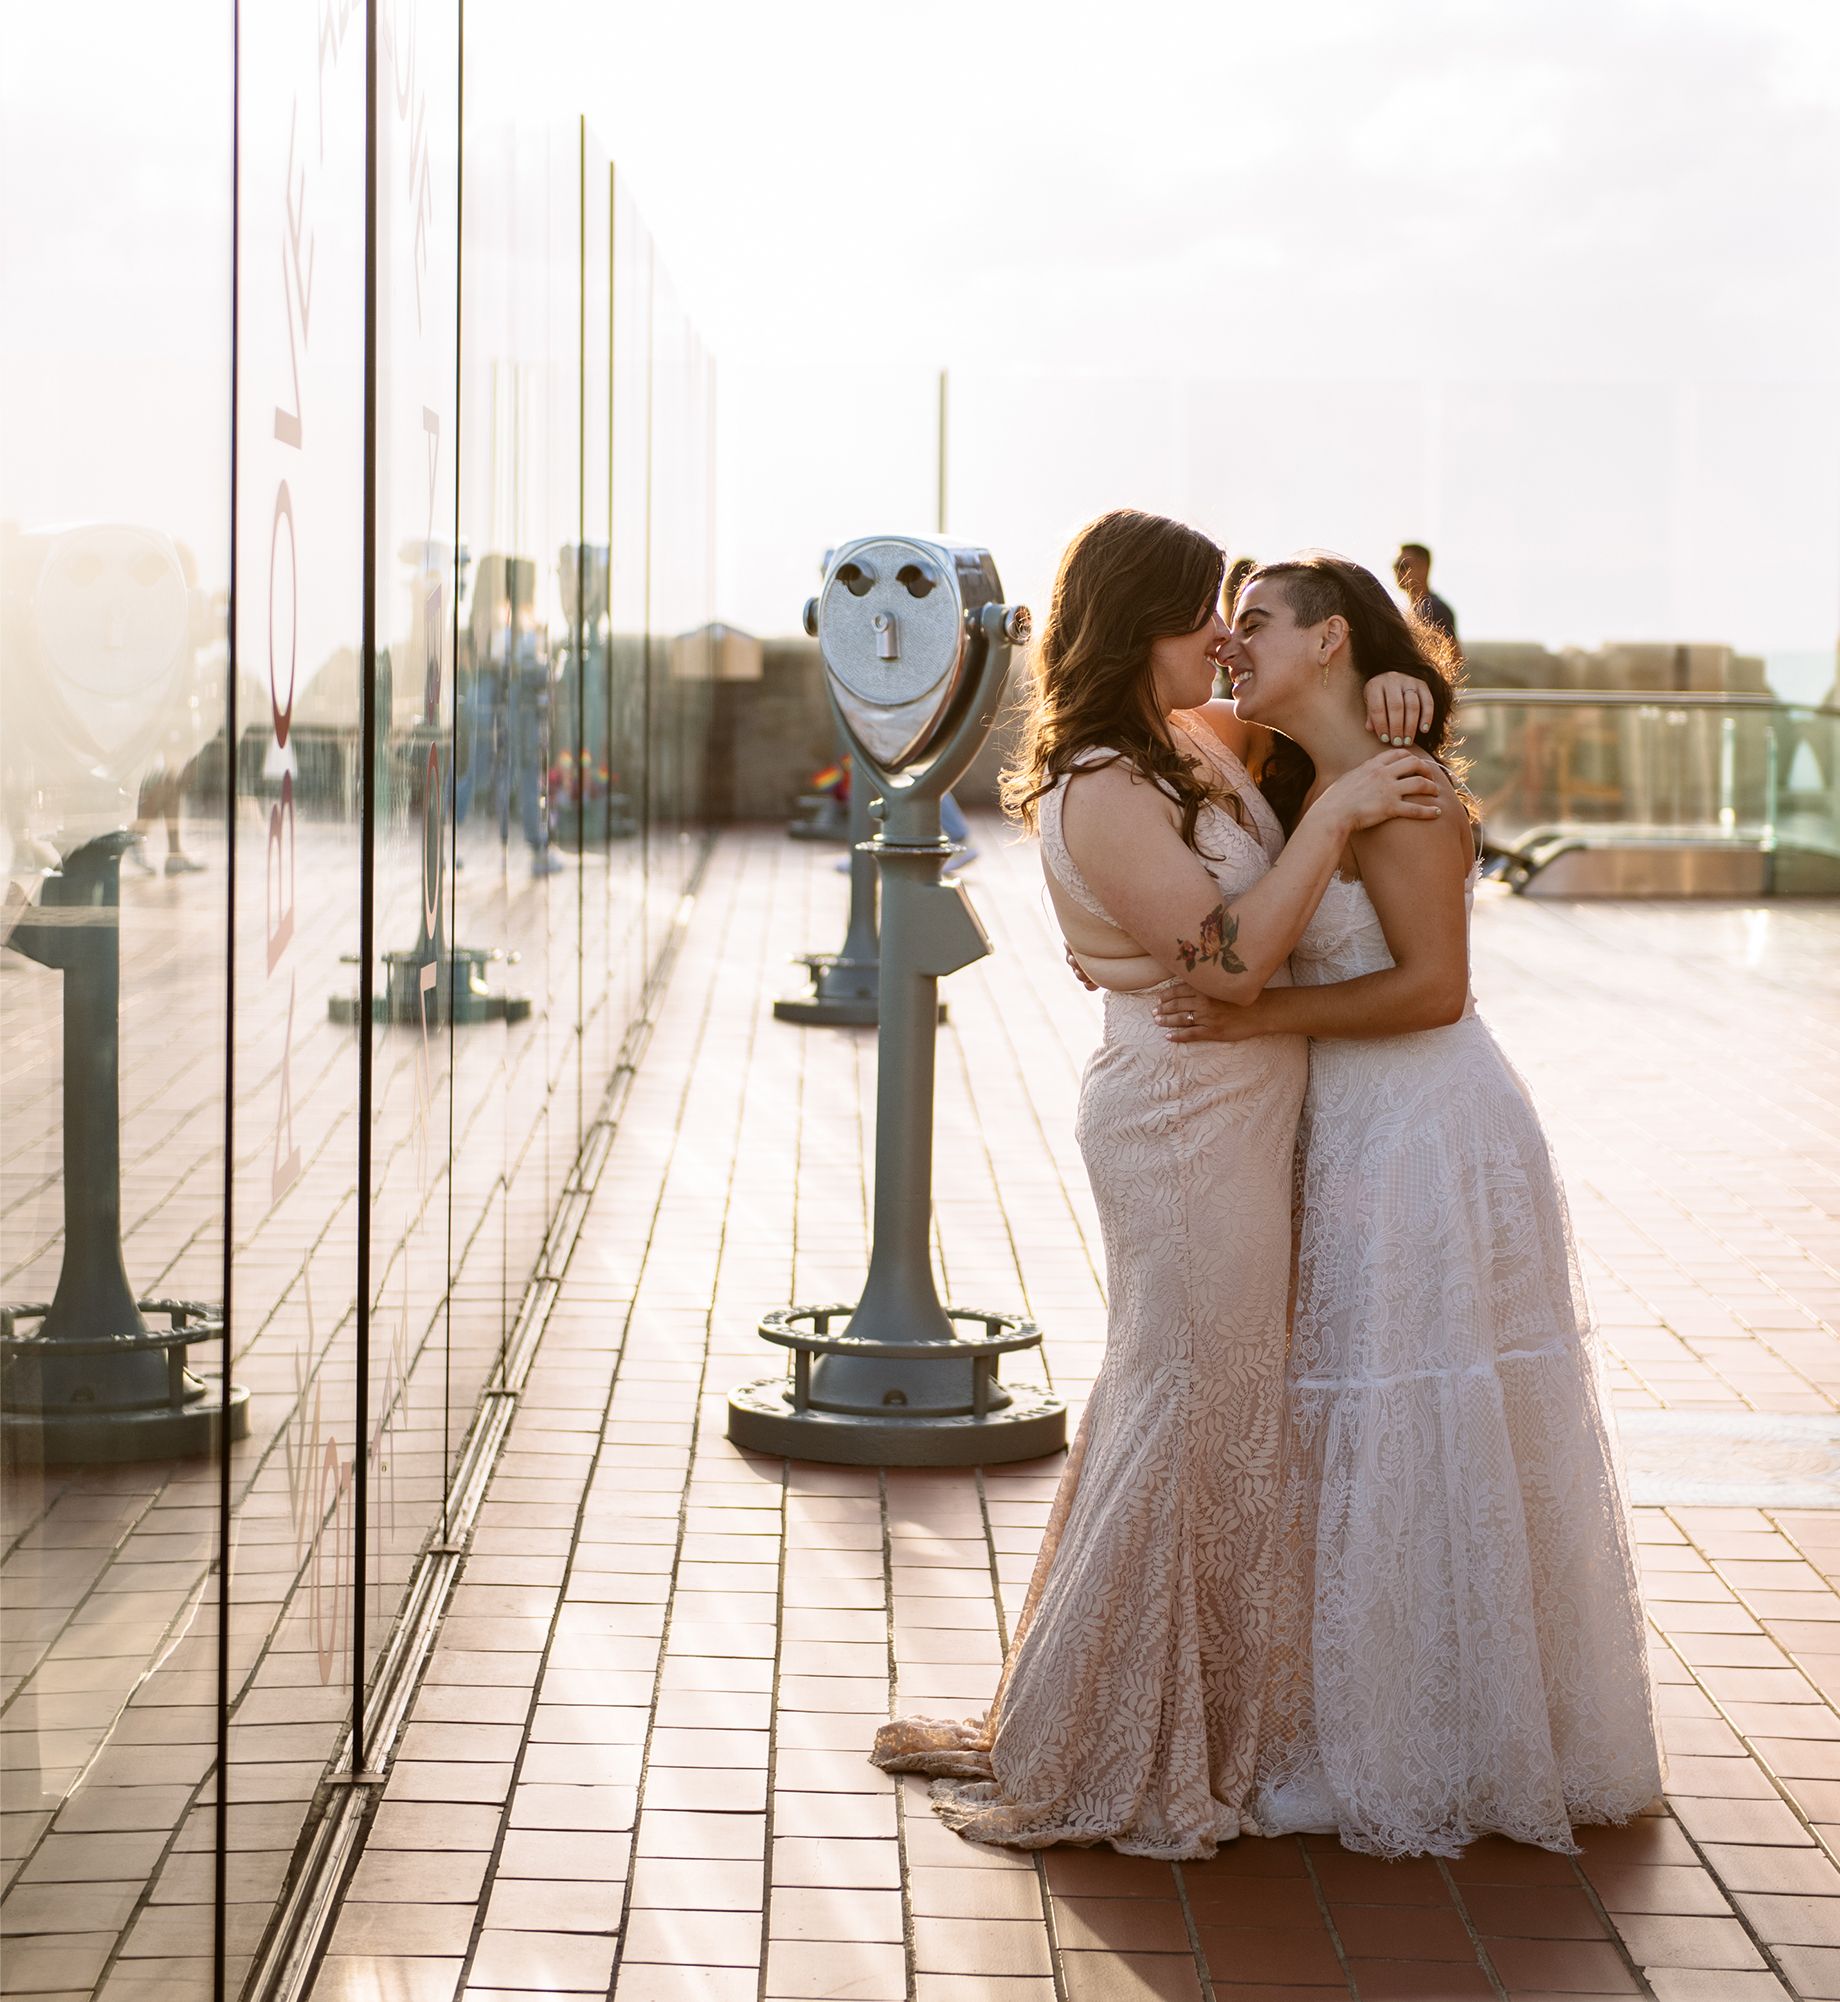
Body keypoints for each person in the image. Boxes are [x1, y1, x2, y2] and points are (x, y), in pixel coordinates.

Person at [869, 509, 1442, 1857]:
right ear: (1147, 626)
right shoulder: (1105, 784)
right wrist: (1353, 807)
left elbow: (1311, 726)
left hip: (1237, 1111)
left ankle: (1151, 1702)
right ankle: (1110, 1732)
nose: (1230, 639)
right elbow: (1231, 963)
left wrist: (1393, 689)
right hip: (1184, 1121)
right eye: (1208, 617)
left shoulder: (1188, 745)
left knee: (1197, 1410)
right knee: (1189, 1414)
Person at [1155, 554, 1663, 1857]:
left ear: (1326, 640)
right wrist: (1387, 673)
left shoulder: (1408, 795)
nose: (1230, 644)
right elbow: (1153, 707)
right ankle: (1356, 1722)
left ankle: (1443, 1741)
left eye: (1255, 623)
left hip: (1433, 1130)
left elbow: (1435, 990)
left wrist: (1258, 1012)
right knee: (1364, 1432)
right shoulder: (1298, 776)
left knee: (1425, 1423)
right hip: (1356, 1129)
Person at [1393, 540, 1458, 648]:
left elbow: (1453, 657)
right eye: (1395, 565)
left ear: (1424, 568)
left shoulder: (1436, 610)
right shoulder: (1406, 611)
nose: (1397, 570)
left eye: (1403, 565)